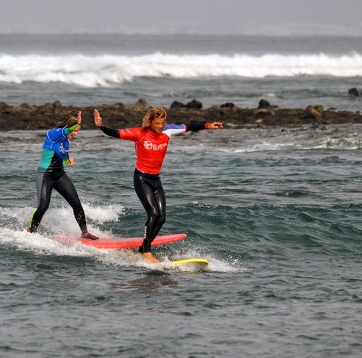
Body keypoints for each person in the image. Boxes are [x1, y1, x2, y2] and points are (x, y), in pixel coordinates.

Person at [93, 107, 222, 259]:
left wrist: (207, 125)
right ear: (150, 121)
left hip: (156, 179)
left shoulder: (168, 130)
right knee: (153, 213)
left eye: (162, 123)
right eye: (157, 123)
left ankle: (143, 247)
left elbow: (188, 127)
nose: (160, 126)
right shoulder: (139, 134)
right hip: (141, 179)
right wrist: (101, 126)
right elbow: (114, 133)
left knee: (162, 217)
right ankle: (146, 250)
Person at [28, 111, 98, 240]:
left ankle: (85, 233)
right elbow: (68, 130)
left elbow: (64, 156)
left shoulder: (66, 141)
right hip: (45, 175)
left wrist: (68, 161)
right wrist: (77, 122)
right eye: (75, 131)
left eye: (77, 131)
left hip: (59, 175)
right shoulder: (53, 133)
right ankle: (31, 231)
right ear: (67, 127)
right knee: (43, 206)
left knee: (76, 204)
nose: (75, 133)